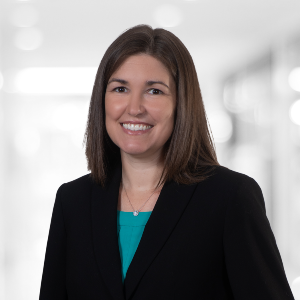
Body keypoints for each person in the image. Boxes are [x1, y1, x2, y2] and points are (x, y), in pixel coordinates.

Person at [39, 24, 295, 300]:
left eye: (155, 91)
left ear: (181, 104)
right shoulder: (73, 201)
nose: (135, 108)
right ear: (102, 100)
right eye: (120, 88)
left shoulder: (229, 198)